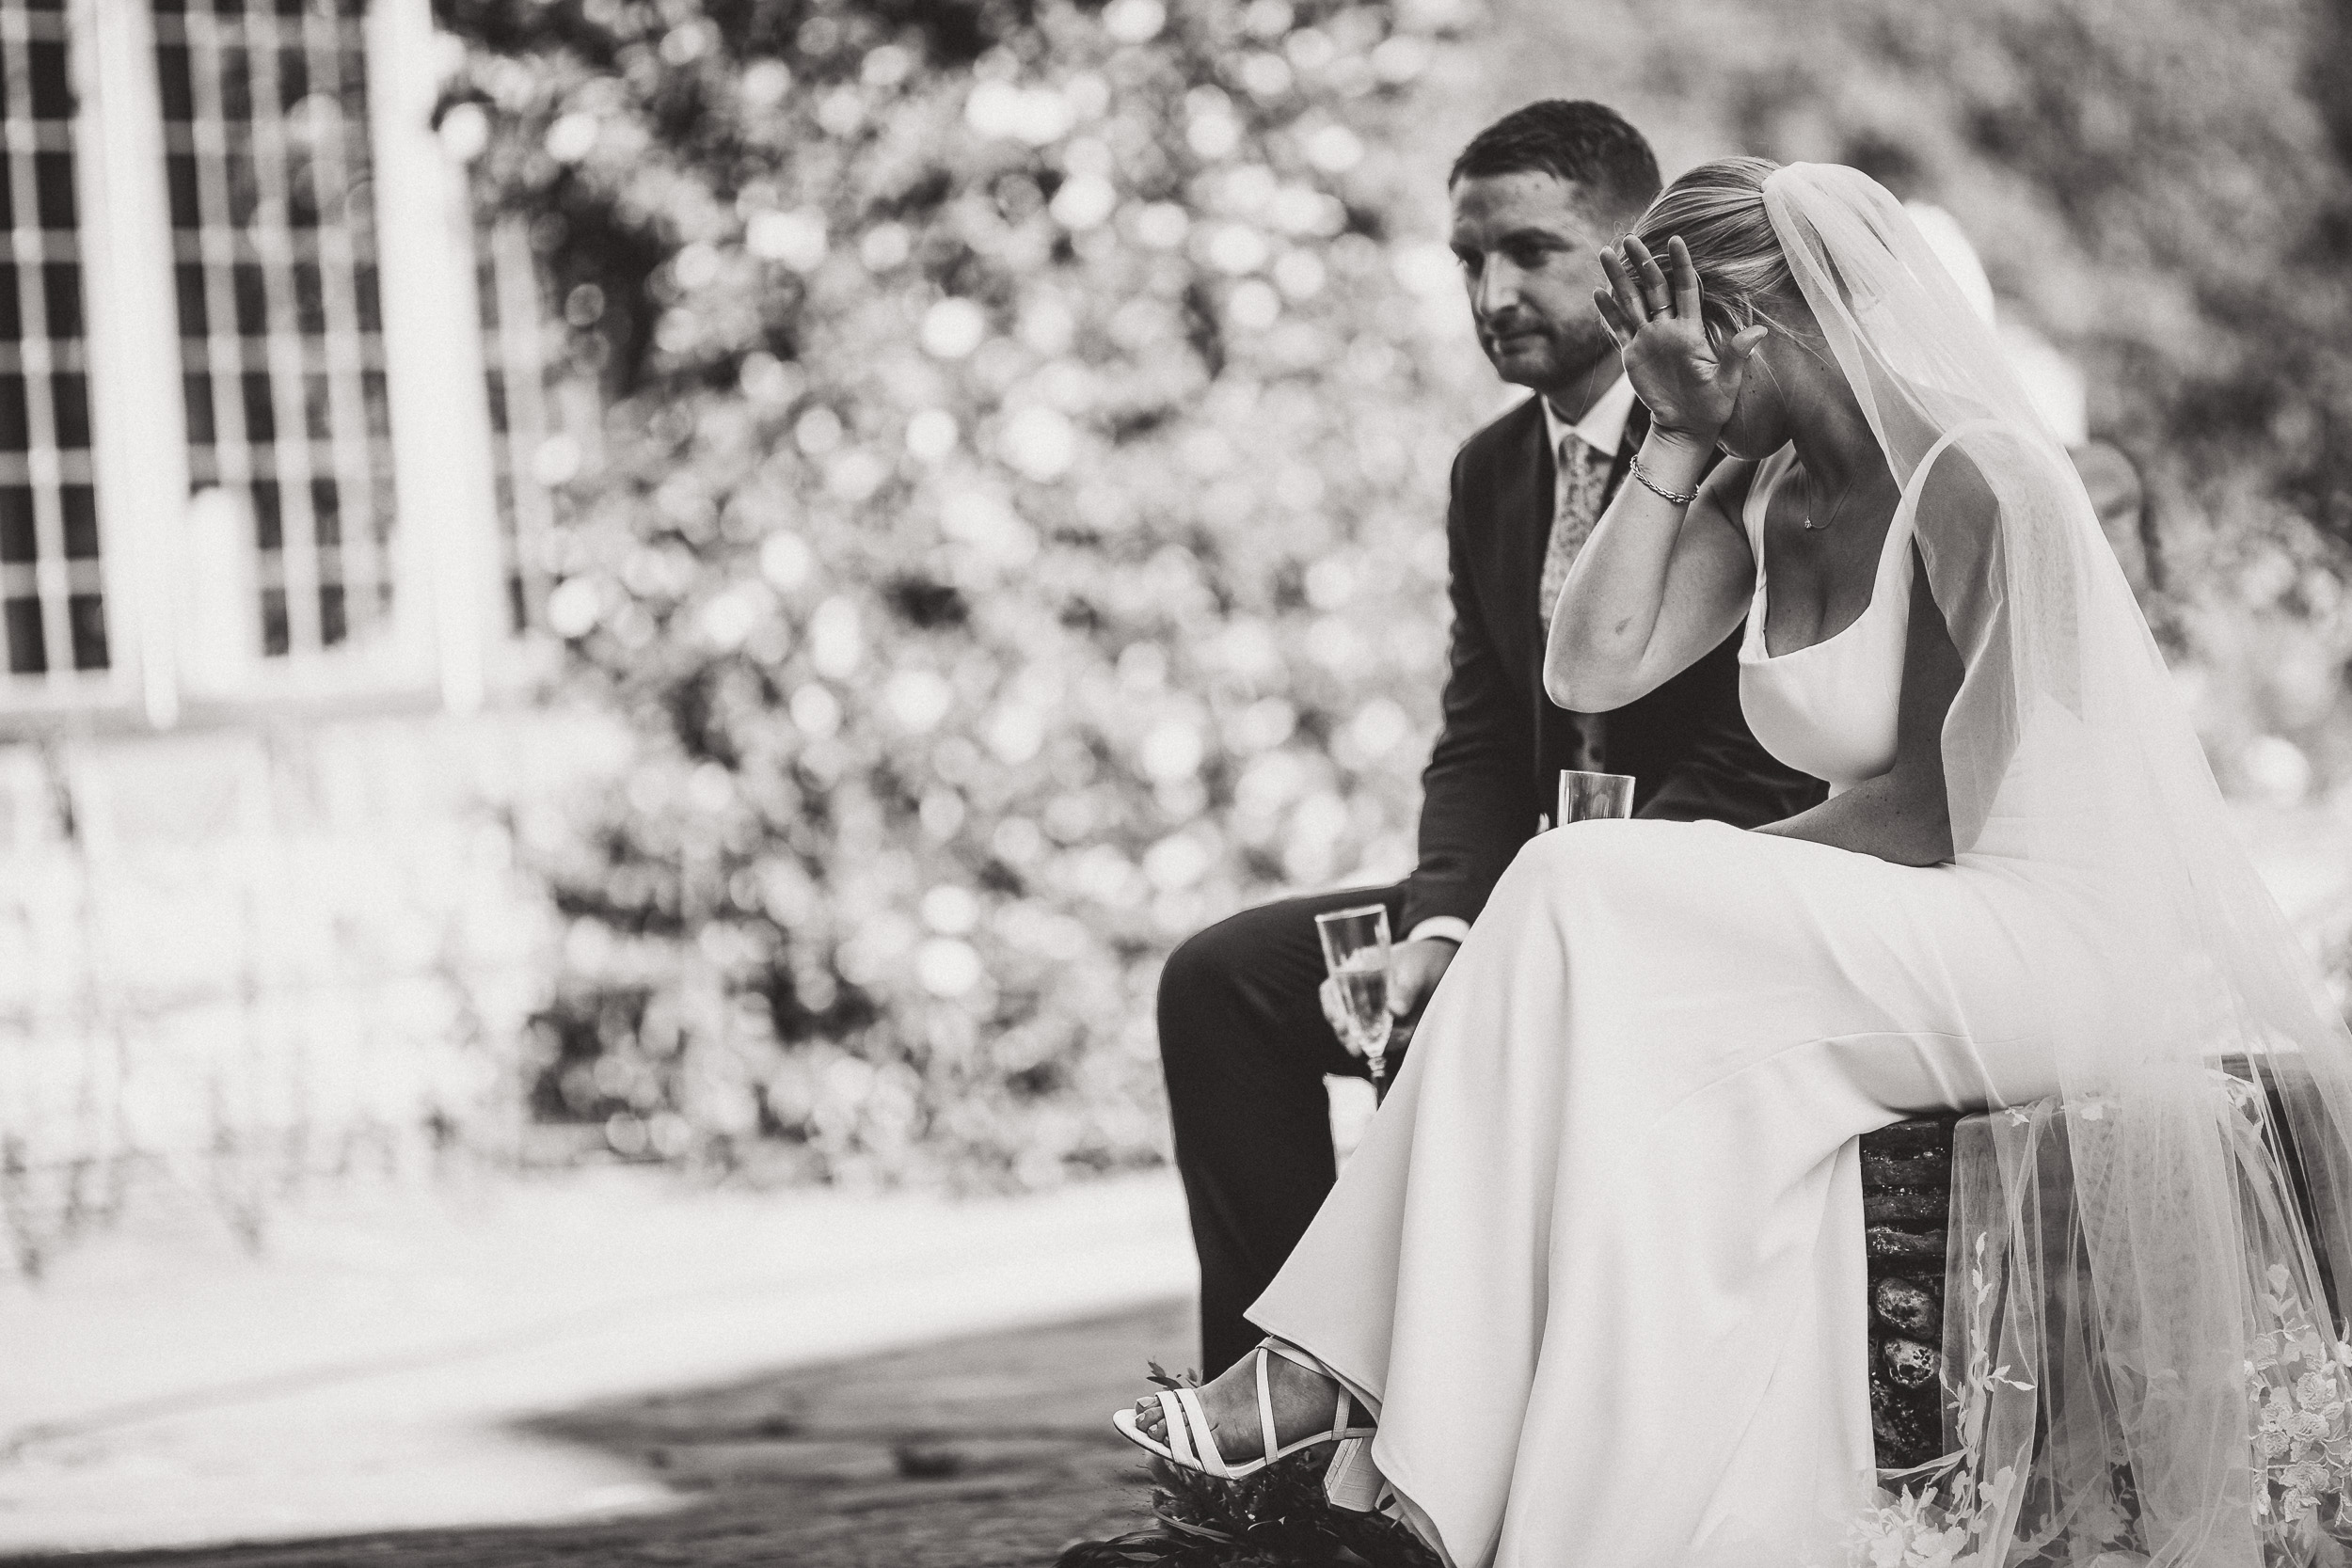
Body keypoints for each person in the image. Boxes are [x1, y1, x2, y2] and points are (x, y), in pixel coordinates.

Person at [1118, 160, 2352, 1568]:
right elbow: (1592, 665)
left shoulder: (1980, 479)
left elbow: (1943, 815)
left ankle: (1322, 1375)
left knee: (1587, 889)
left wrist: (1677, 890)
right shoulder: (1761, 491)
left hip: (2037, 937)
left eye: (1666, 338)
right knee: (1634, 1056)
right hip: (1900, 932)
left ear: (1754, 324)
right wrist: (1671, 441)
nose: (1645, 368)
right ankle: (1563, 1508)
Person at [1154, 103, 1824, 1380]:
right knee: (1228, 980)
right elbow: (1478, 741)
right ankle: (1269, 1427)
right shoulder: (1491, 471)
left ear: (1636, 255)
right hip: (1531, 885)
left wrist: (1535, 926)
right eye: (1468, 259)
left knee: (1484, 1003)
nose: (1491, 289)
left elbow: (1761, 748)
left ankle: (1417, 1414)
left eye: (1529, 250)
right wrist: (1445, 927)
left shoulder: (1736, 436)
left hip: (1711, 880)